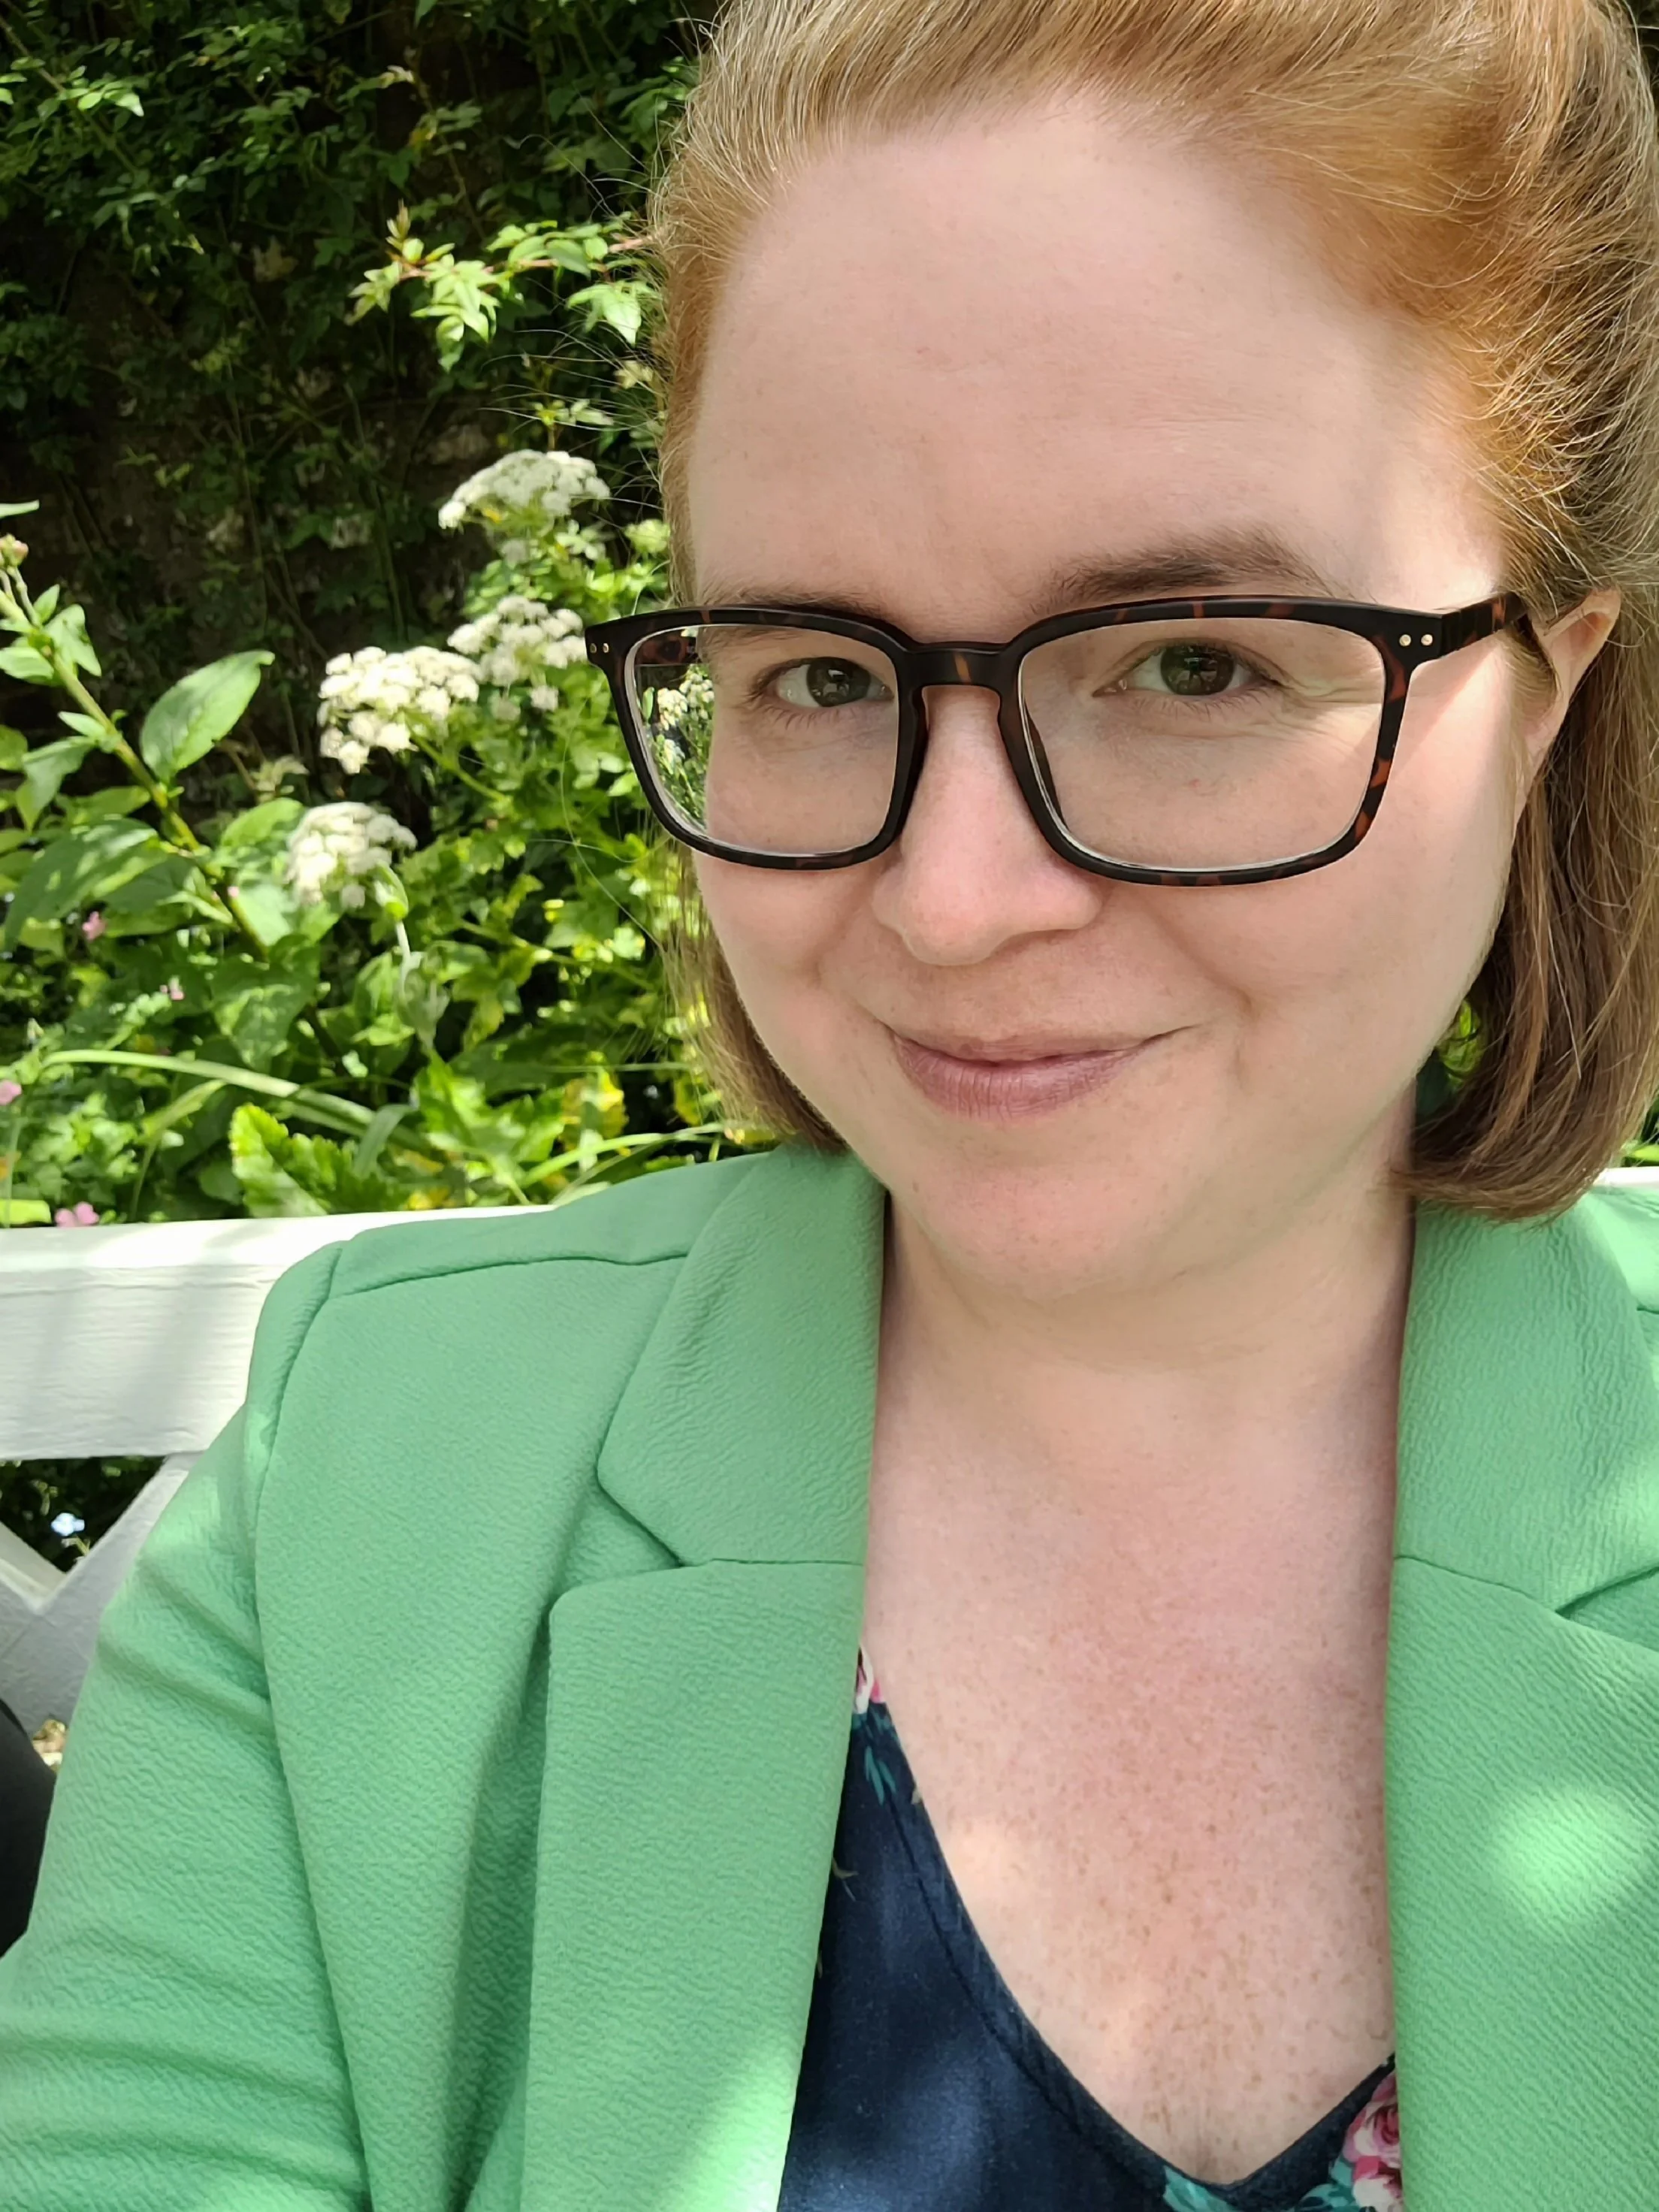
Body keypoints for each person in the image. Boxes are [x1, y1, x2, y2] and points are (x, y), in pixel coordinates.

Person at [4, 0, 1659, 2204]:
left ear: (1551, 696)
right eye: (814, 671)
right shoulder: (369, 1500)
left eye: (1196, 661)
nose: (958, 903)